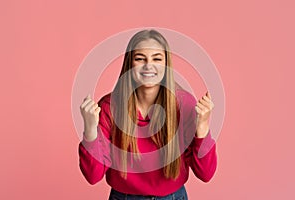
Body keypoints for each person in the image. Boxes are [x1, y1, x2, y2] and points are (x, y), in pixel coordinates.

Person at [78, 29, 217, 200]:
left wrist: (202, 128)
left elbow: (206, 174)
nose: (148, 65)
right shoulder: (109, 106)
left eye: (157, 59)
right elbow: (93, 176)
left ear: (166, 65)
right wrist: (90, 129)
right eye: (140, 58)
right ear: (130, 63)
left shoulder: (184, 104)